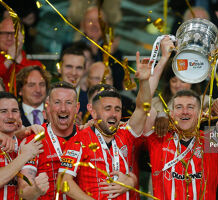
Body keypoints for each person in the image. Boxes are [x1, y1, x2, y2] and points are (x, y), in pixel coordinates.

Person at [142, 45, 218, 199]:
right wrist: (162, 59)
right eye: (179, 107)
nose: (185, 112)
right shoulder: (158, 139)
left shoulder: (212, 141)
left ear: (200, 113)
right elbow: (144, 105)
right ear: (171, 113)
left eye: (190, 107)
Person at [58, 51, 152, 199]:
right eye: (107, 109)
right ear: (93, 112)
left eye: (117, 109)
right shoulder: (79, 140)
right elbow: (63, 180)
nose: (113, 114)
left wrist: (144, 81)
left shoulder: (126, 132)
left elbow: (142, 107)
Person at [18, 81, 81, 199]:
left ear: (76, 107)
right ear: (48, 106)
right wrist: (35, 190)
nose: (63, 109)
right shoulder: (34, 140)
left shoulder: (88, 138)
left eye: (68, 103)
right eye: (57, 102)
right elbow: (23, 191)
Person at [0, 91, 43, 199]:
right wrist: (25, 155)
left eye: (14, 111)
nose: (10, 116)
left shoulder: (28, 144)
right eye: (3, 111)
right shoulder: (29, 150)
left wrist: (37, 190)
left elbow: (25, 191)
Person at [79, 6, 125, 91]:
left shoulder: (115, 54)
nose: (94, 25)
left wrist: (109, 55)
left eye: (99, 21)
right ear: (82, 24)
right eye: (90, 21)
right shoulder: (70, 49)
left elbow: (117, 85)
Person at [0, 17, 43, 91]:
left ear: (22, 37)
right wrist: (9, 59)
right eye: (5, 33)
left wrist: (16, 58)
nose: (9, 38)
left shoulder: (35, 65)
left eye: (14, 33)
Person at [58, 45, 88, 123]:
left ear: (84, 71)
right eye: (69, 67)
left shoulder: (91, 102)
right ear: (59, 68)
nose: (74, 73)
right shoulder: (44, 98)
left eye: (79, 68)